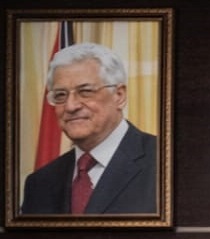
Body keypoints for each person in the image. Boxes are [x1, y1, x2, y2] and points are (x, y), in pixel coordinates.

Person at [20, 42, 158, 215]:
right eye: (60, 95)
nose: (70, 106)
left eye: (85, 91)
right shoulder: (39, 183)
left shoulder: (164, 163)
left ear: (119, 96)